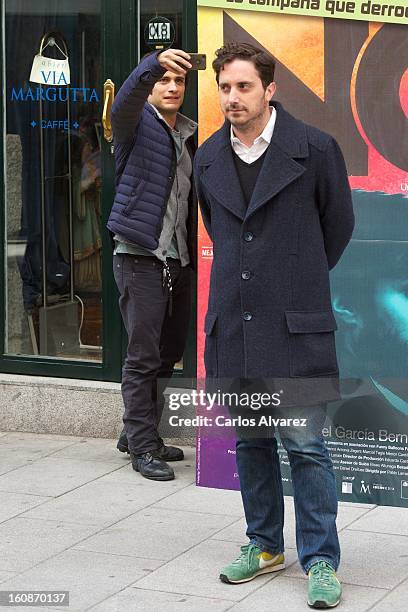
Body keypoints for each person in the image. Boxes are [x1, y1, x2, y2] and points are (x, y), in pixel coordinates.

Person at [194, 43, 354, 608]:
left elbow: (336, 228)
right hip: (234, 329)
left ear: (269, 89)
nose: (231, 98)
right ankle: (263, 546)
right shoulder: (208, 157)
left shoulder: (315, 149)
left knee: (307, 446)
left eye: (242, 87)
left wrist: (295, 281)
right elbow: (222, 230)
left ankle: (320, 560)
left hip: (295, 326)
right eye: (224, 88)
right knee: (251, 442)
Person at [107, 48, 197, 482]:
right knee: (143, 357)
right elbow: (125, 101)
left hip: (177, 259)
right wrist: (152, 63)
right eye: (164, 80)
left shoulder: (188, 134)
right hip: (140, 256)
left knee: (168, 354)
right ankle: (142, 446)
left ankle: (137, 430)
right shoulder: (133, 124)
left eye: (179, 81)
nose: (173, 87)